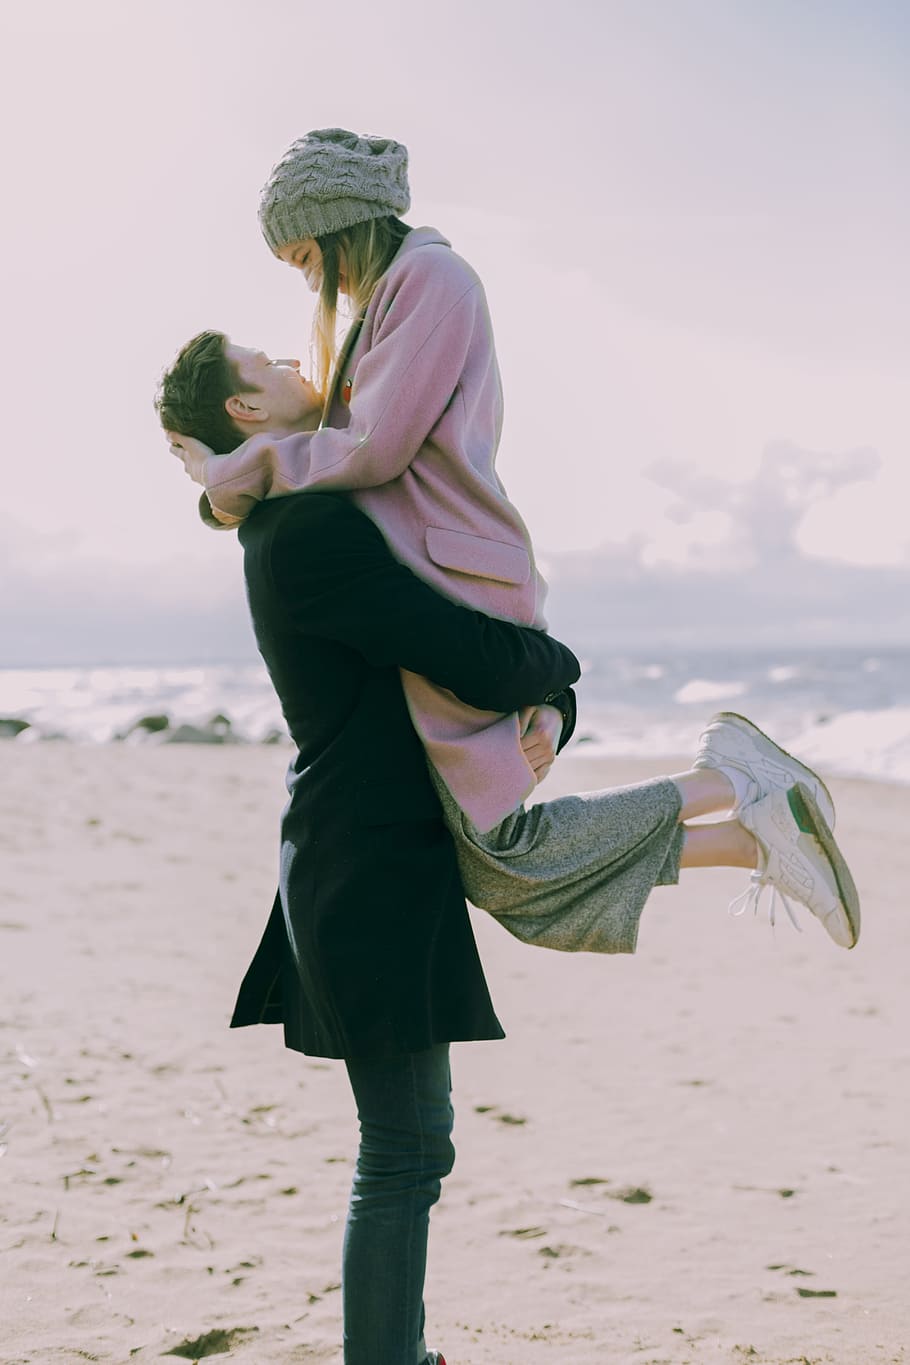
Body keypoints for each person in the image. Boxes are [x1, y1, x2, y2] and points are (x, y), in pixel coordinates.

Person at [158, 130, 860, 1364]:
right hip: (365, 852)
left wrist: (545, 693)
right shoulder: (304, 531)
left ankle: (743, 817)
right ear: (239, 411)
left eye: (293, 281)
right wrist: (552, 686)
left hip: (364, 842)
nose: (291, 336)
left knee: (481, 964)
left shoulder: (407, 321)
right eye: (262, 361)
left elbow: (398, 511)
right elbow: (449, 636)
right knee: (417, 1119)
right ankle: (736, 804)